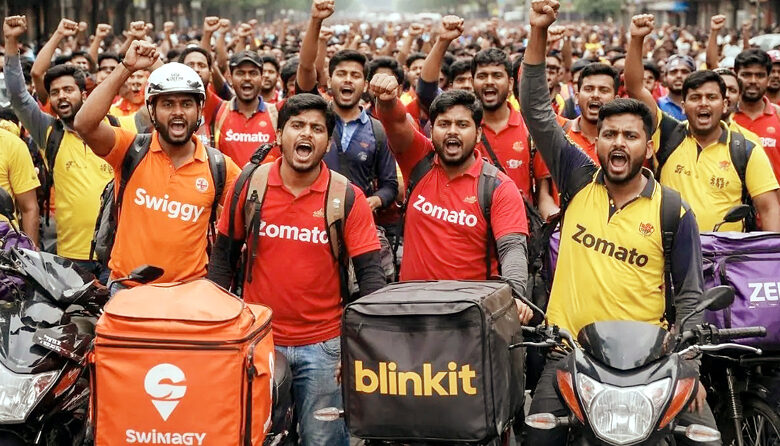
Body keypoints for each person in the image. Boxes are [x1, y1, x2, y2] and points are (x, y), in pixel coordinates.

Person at [521, 3, 716, 445]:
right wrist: (538, 32)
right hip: (568, 355)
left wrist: (689, 369)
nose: (618, 143)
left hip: (648, 365)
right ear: (597, 141)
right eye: (610, 134)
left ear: (649, 146)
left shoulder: (673, 210)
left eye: (630, 135)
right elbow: (535, 108)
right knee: (537, 437)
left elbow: (690, 295)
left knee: (706, 436)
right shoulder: (576, 178)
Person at [208, 93, 385, 446]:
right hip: (258, 341)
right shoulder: (250, 185)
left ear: (328, 142)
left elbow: (371, 278)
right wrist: (215, 333)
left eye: (317, 128)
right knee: (255, 437)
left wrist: (361, 347)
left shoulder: (347, 197)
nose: (306, 134)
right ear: (279, 134)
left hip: (325, 348)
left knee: (323, 441)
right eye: (297, 125)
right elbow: (223, 261)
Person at [73, 40, 240, 288]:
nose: (177, 112)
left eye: (186, 104)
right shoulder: (129, 149)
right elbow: (84, 124)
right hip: (127, 290)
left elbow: (250, 220)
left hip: (189, 295)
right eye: (167, 104)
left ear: (200, 110)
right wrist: (126, 67)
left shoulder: (220, 167)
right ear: (151, 110)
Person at [369, 74, 532, 320]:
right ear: (431, 130)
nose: (452, 131)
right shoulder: (418, 160)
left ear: (478, 133)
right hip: (411, 315)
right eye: (444, 124)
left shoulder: (499, 187)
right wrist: (387, 100)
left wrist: (516, 296)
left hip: (468, 320)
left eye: (462, 125)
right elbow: (395, 121)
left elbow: (512, 249)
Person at [625, 14, 780, 233]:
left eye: (711, 97)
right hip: (668, 249)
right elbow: (635, 88)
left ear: (724, 104)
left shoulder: (746, 148)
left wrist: (771, 252)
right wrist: (636, 39)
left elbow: (769, 208)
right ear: (684, 105)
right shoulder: (667, 134)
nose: (703, 103)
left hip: (726, 253)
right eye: (696, 98)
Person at [4, 15, 114, 280]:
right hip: (71, 258)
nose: (61, 96)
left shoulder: (117, 128)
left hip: (117, 254)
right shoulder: (49, 133)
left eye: (68, 90)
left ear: (84, 95)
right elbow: (19, 95)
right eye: (55, 92)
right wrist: (10, 40)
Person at [297, 1, 399, 214]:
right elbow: (306, 67)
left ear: (365, 85)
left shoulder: (378, 130)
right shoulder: (315, 115)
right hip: (309, 220)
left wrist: (374, 201)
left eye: (355, 75)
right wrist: (316, 20)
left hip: (356, 222)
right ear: (329, 80)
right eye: (341, 74)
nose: (348, 80)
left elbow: (390, 185)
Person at [213, 51, 280, 167]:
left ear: (262, 78)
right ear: (230, 78)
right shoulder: (218, 109)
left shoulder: (277, 113)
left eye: (253, 73)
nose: (247, 78)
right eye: (240, 73)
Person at [732, 49, 780, 181]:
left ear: (768, 79)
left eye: (759, 75)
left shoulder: (778, 116)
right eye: (746, 75)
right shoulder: (724, 118)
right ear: (736, 77)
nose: (753, 81)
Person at [657, 54, 694, 121]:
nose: (679, 76)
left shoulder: (701, 104)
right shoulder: (657, 105)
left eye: (684, 72)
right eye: (673, 72)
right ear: (665, 77)